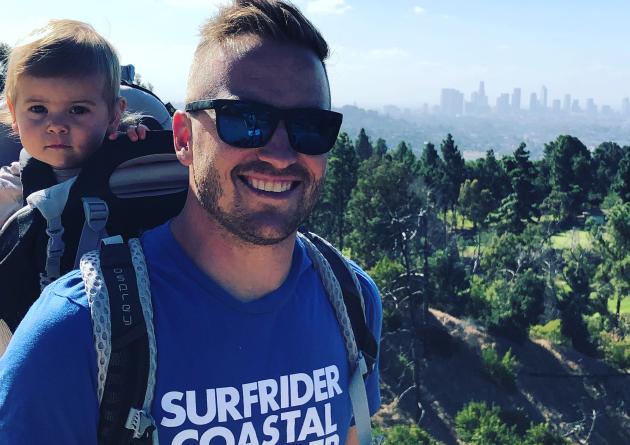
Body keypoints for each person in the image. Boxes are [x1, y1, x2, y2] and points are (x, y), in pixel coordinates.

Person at [0, 1, 382, 444]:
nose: (280, 154)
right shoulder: (72, 332)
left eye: (310, 127)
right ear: (184, 138)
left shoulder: (351, 302)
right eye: (245, 121)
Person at [0, 19, 147, 228]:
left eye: (78, 109)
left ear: (114, 116)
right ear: (14, 114)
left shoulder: (132, 169)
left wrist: (143, 149)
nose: (56, 125)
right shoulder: (8, 192)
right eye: (38, 109)